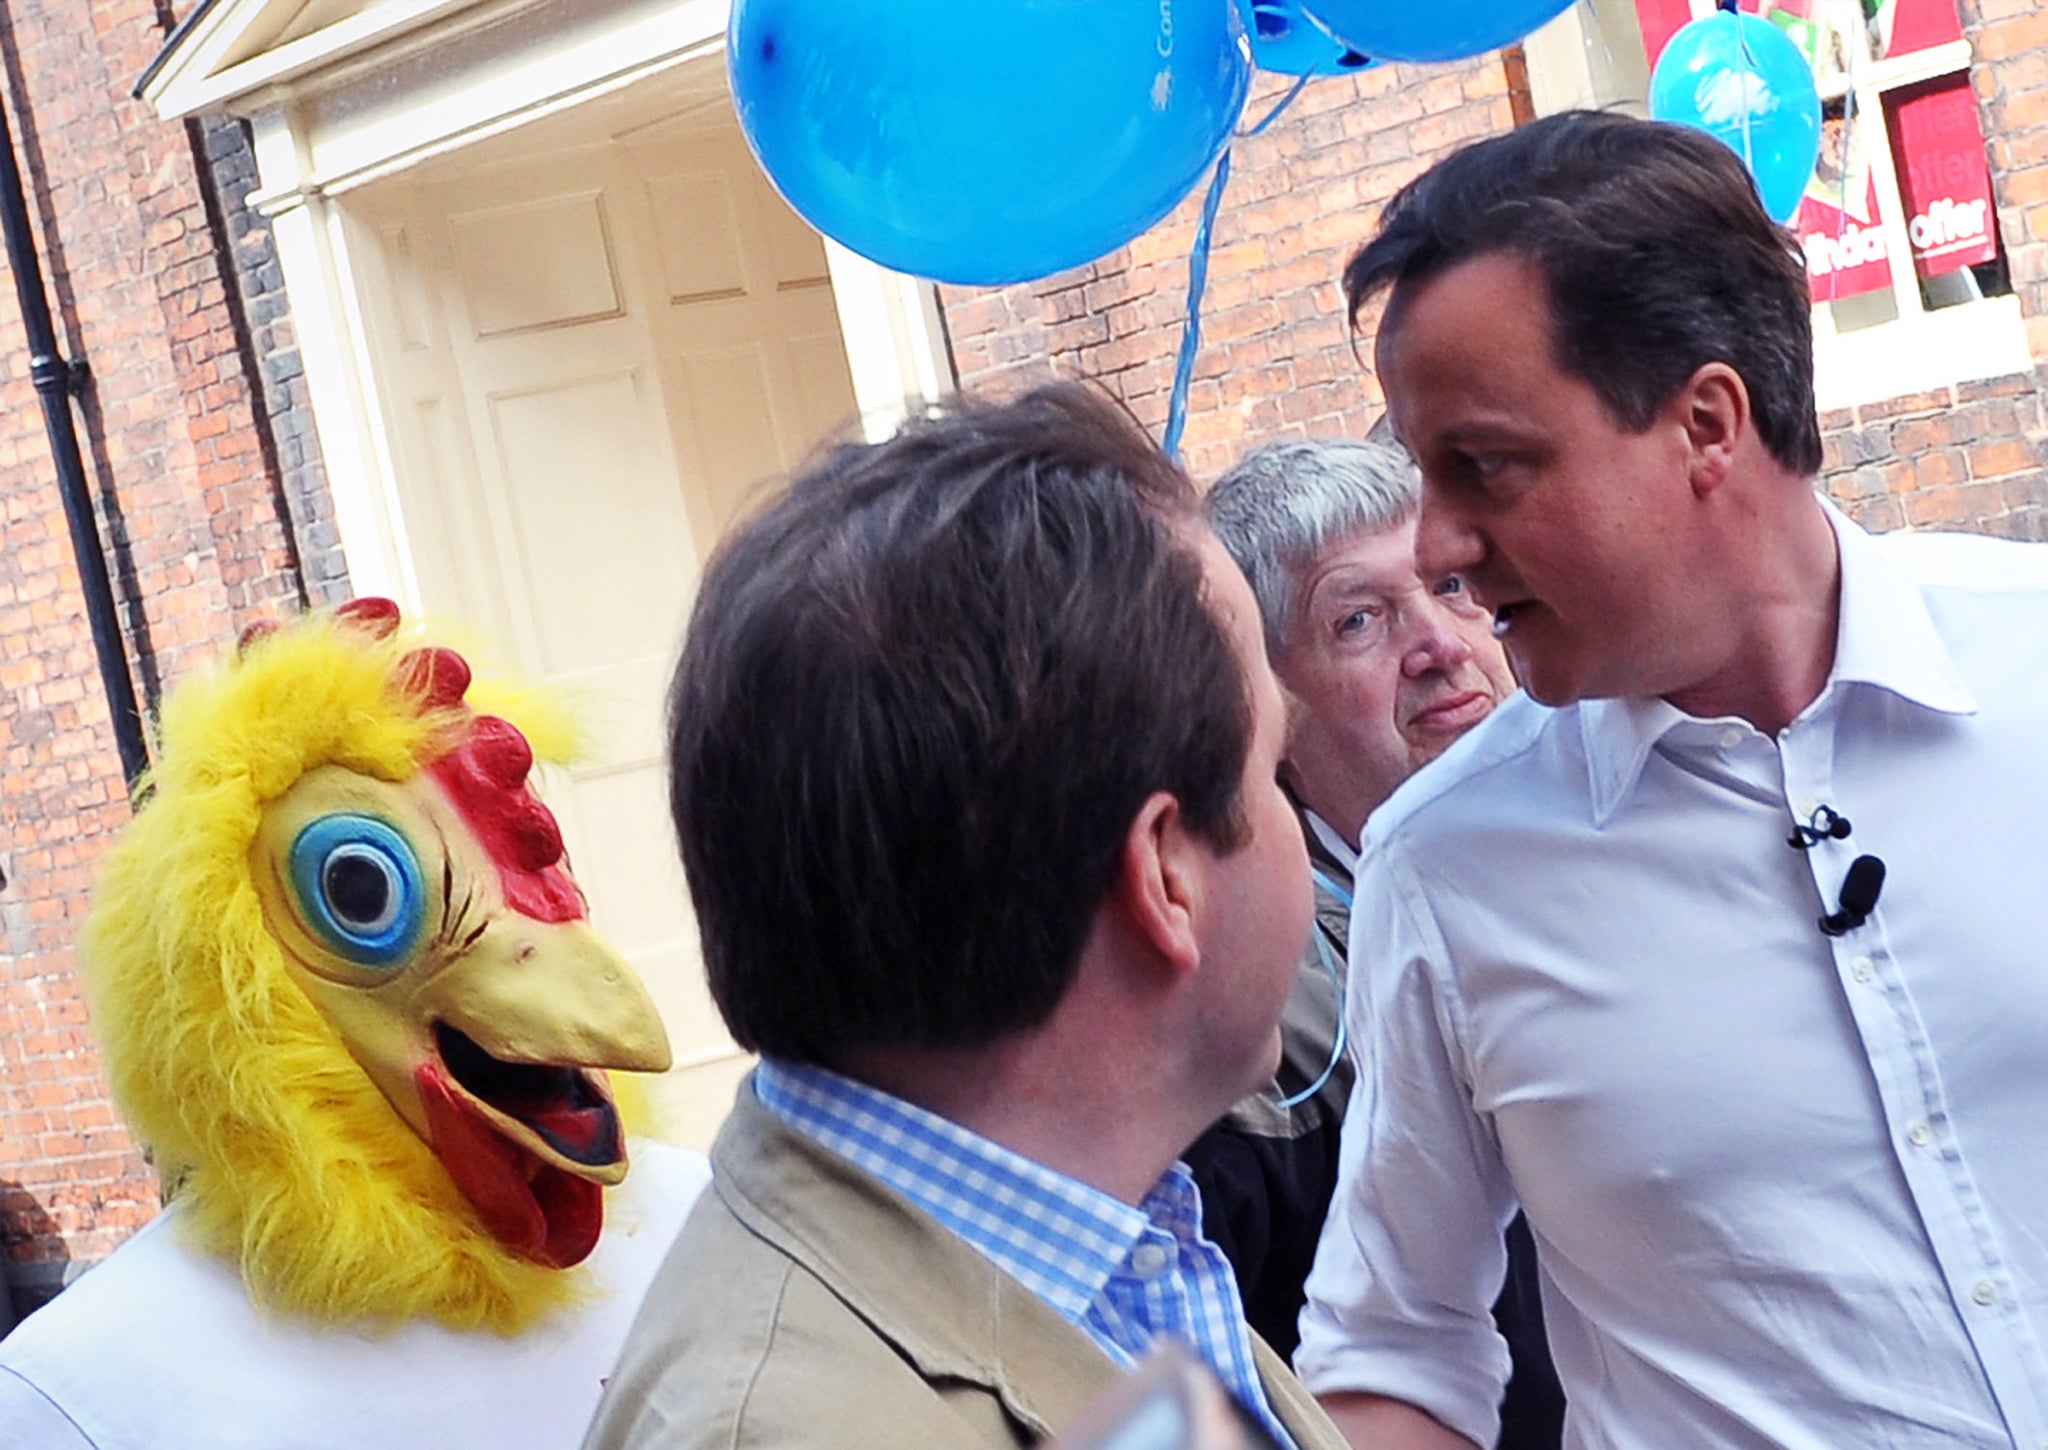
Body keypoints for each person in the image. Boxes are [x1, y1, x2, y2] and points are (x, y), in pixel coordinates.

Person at [1295, 109, 2048, 1450]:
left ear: (1706, 422)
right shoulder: (1450, 863)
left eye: (1486, 465)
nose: (1445, 545)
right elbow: (1396, 1344)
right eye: (1424, 474)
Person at [584, 384, 1351, 1450]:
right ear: (1164, 875)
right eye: (1273, 769)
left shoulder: (1098, 1248)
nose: (1295, 817)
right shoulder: (795, 1425)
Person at [1188, 437, 1557, 1449]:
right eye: (1357, 620)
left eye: (1449, 584)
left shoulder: (1620, 853)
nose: (1439, 642)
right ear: (1267, 703)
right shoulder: (1254, 1021)